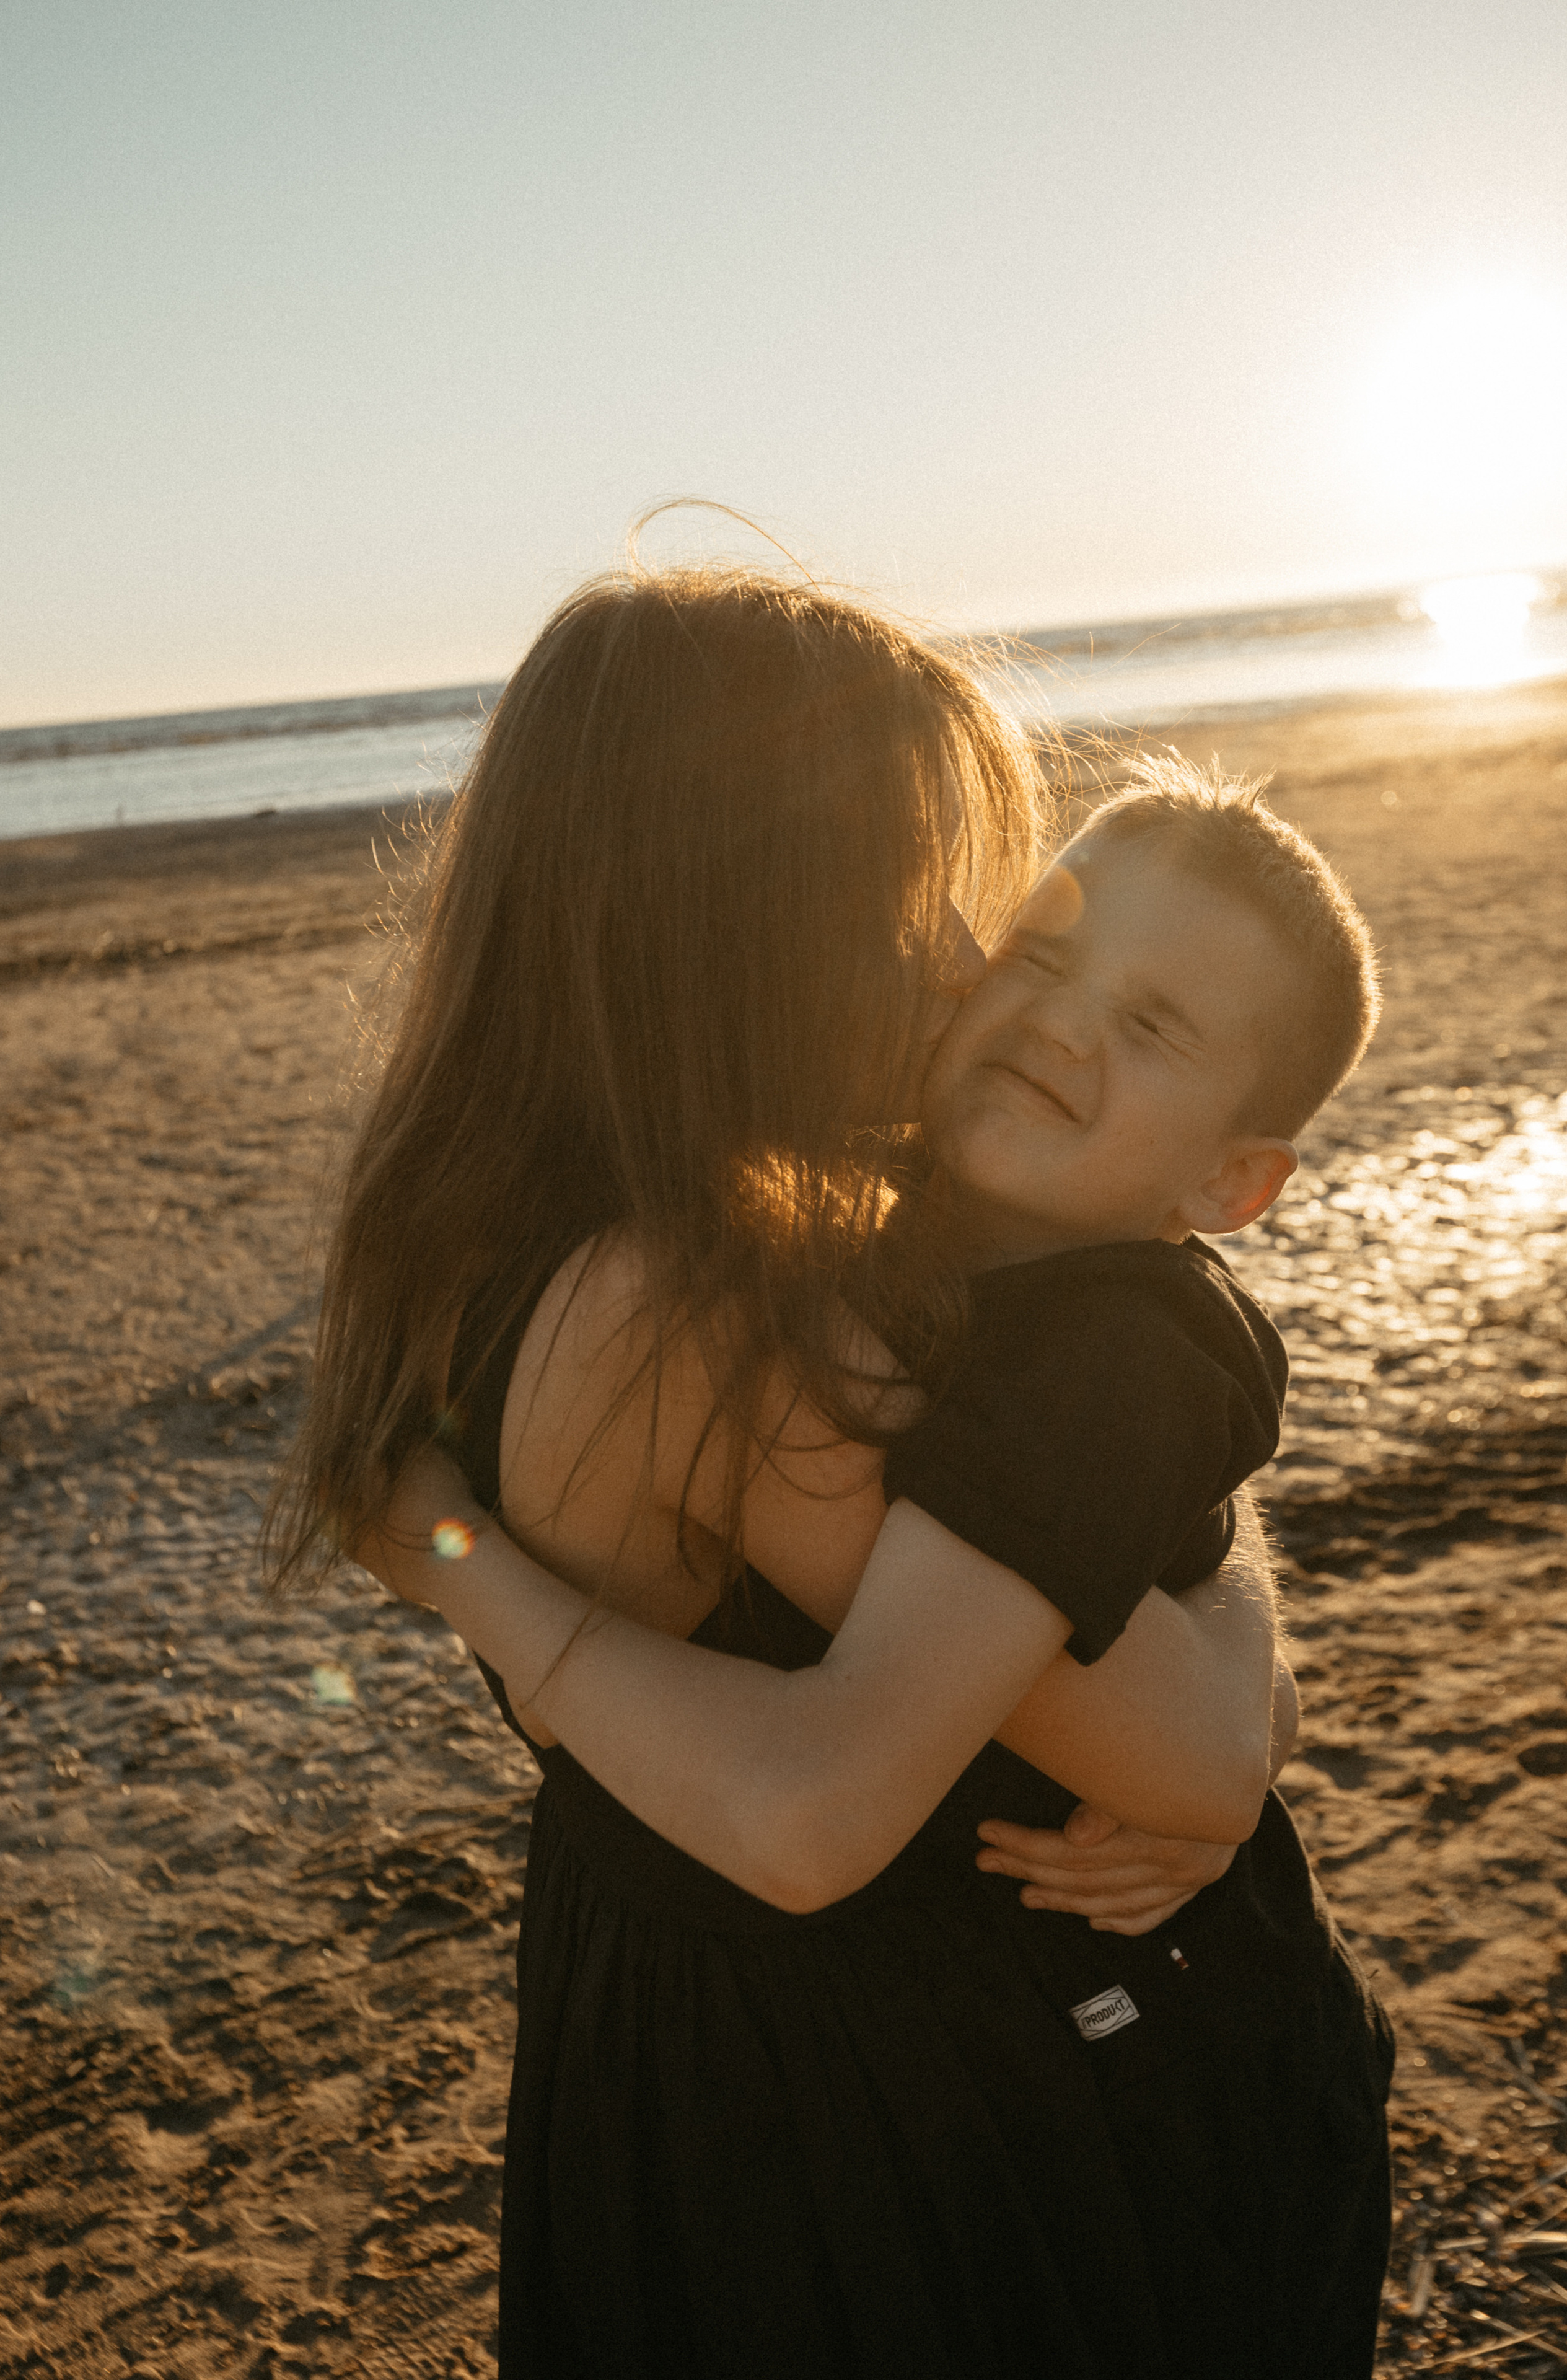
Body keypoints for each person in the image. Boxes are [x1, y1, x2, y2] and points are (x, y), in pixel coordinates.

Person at [271, 563, 1314, 2378]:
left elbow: (1108, 1519)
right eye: (916, 902)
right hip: (890, 2121)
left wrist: (445, 1547)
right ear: (735, 917)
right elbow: (1190, 1751)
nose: (964, 964)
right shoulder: (712, 1312)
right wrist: (1234, 1652)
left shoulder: (494, 1222)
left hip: (668, 2053)